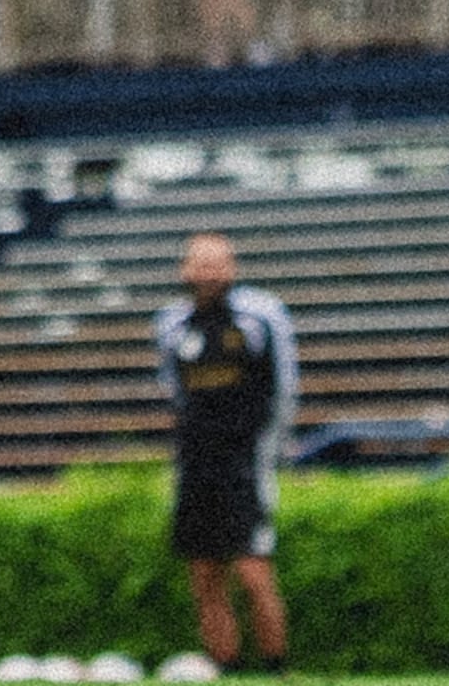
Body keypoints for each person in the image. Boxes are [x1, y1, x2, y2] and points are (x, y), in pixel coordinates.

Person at [152, 233, 292, 674]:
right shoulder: (171, 323)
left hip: (244, 462)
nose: (208, 273)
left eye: (217, 264)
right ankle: (227, 668)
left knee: (253, 572)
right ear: (186, 269)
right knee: (205, 574)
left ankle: (275, 667)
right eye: (200, 264)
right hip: (197, 464)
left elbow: (283, 387)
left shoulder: (260, 315)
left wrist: (264, 446)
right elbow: (174, 390)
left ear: (231, 268)